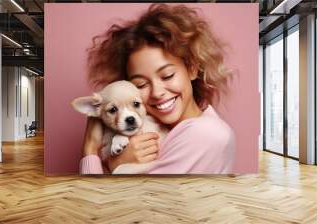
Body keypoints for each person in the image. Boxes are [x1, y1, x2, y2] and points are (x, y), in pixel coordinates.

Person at [79, 3, 235, 174]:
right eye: (141, 85)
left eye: (168, 75)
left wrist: (94, 152)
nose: (157, 92)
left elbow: (100, 199)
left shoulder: (206, 134)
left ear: (192, 69)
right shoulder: (158, 132)